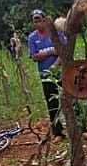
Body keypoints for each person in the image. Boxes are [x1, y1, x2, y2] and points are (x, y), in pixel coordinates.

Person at [27, 9, 67, 139]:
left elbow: (64, 50)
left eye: (40, 19)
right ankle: (58, 132)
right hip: (45, 75)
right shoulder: (33, 38)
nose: (38, 22)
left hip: (62, 73)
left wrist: (56, 64)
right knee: (52, 105)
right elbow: (34, 56)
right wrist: (51, 52)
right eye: (35, 20)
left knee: (71, 99)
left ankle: (81, 129)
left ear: (45, 20)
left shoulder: (56, 33)